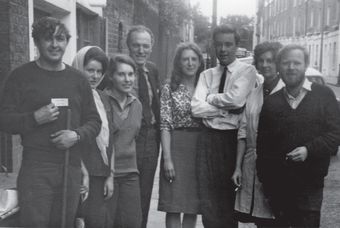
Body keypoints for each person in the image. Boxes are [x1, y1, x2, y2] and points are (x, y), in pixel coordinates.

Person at [0, 17, 101, 227]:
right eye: (48, 38)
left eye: (60, 38)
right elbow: (5, 120)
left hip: (70, 167)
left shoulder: (78, 79)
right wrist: (35, 118)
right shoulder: (20, 76)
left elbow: (94, 121)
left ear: (67, 42)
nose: (55, 45)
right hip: (36, 169)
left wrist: (77, 135)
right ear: (36, 42)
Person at [256, 44, 340, 227]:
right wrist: (267, 183)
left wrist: (308, 150)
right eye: (286, 63)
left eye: (297, 62)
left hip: (310, 185)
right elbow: (262, 147)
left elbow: (334, 137)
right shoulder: (271, 103)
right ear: (279, 66)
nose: (291, 67)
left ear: (306, 65)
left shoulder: (324, 95)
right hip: (278, 187)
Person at [191, 24, 257, 228]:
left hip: (231, 140)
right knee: (208, 198)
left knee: (229, 199)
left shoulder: (247, 71)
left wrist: (209, 98)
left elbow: (236, 99)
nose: (223, 49)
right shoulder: (206, 75)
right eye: (219, 44)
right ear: (213, 46)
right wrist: (223, 110)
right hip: (208, 139)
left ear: (237, 46)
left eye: (228, 44)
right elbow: (195, 108)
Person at [232, 41, 284, 227]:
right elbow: (243, 133)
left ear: (278, 63)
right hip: (251, 166)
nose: (265, 65)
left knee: (276, 218)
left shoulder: (286, 92)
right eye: (261, 60)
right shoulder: (254, 94)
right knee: (258, 219)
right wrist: (238, 167)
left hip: (278, 169)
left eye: (270, 60)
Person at [158, 42, 203, 228]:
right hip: (176, 147)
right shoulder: (170, 88)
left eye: (194, 59)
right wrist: (167, 158)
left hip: (200, 148)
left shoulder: (206, 86)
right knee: (174, 203)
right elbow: (165, 124)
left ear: (200, 62)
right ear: (179, 62)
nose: (190, 63)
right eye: (185, 59)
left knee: (193, 204)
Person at [72, 46, 115, 228]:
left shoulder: (103, 98)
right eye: (90, 70)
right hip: (81, 174)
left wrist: (110, 175)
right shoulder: (73, 98)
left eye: (99, 71)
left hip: (102, 174)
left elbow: (110, 140)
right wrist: (84, 173)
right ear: (79, 68)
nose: (95, 76)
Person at [126, 25, 161, 228]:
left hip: (150, 137)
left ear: (151, 47)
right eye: (136, 45)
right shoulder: (119, 68)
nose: (141, 50)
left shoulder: (152, 69)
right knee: (126, 193)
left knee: (144, 193)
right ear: (128, 46)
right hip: (128, 138)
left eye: (145, 46)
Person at [104, 54, 143, 227]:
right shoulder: (101, 101)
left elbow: (133, 136)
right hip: (105, 175)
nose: (127, 79)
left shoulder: (137, 105)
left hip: (130, 174)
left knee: (133, 222)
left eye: (131, 74)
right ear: (111, 76)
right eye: (121, 74)